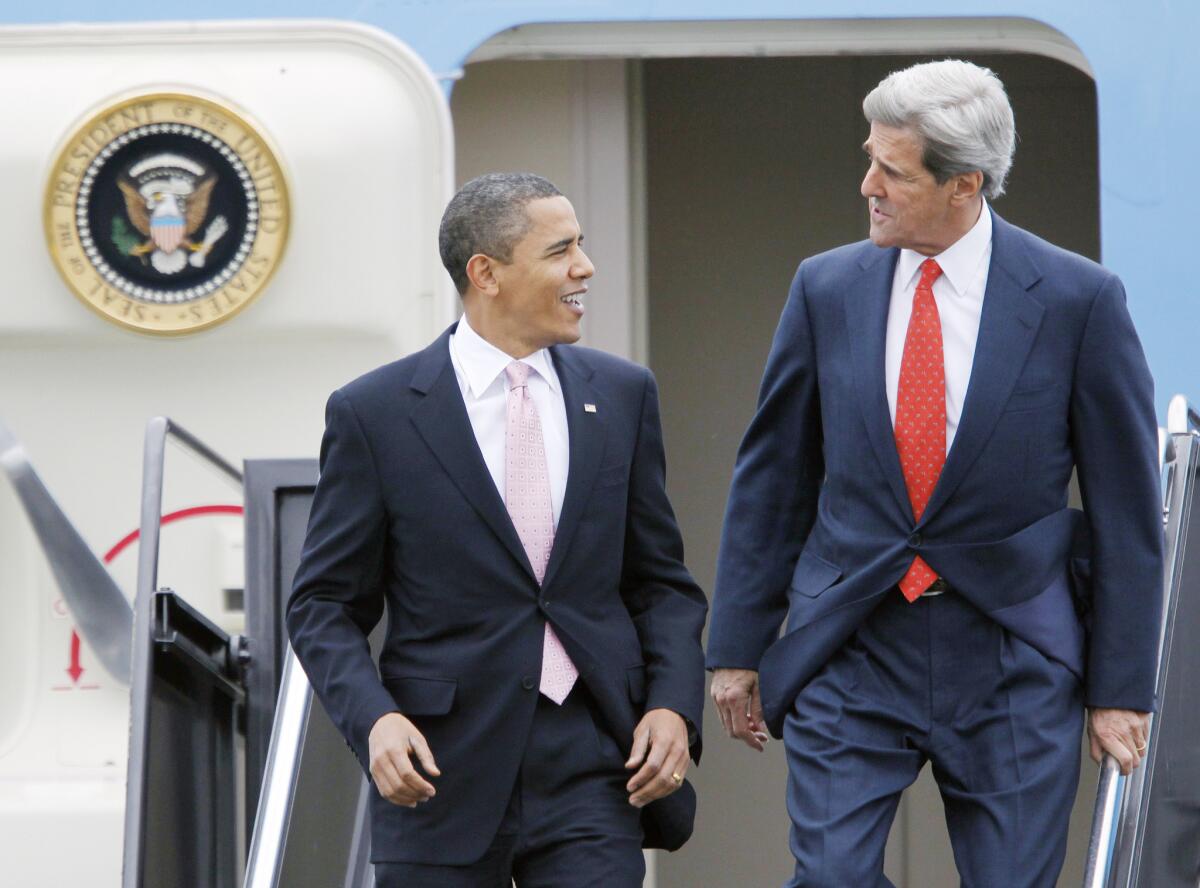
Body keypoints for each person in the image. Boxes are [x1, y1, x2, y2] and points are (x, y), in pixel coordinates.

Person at [707, 60, 1161, 887]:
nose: (866, 184)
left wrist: (1121, 687)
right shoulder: (826, 287)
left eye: (892, 169)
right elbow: (774, 476)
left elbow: (1128, 508)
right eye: (870, 157)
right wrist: (736, 646)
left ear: (965, 184)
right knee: (830, 877)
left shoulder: (1076, 299)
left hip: (1012, 652)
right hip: (852, 640)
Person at [287, 172, 706, 887]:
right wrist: (376, 721)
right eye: (561, 250)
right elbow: (323, 605)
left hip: (592, 764)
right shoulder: (375, 413)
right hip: (440, 769)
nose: (586, 268)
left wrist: (673, 705)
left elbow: (661, 583)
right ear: (486, 273)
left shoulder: (624, 394)